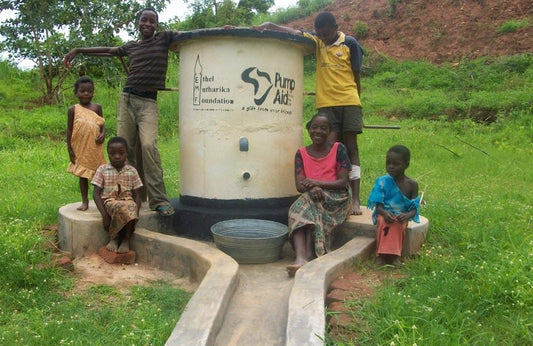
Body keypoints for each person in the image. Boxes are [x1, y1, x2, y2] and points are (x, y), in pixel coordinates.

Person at [63, 8, 179, 216]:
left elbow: (189, 37)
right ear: (138, 23)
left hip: (148, 104)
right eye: (144, 20)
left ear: (157, 25)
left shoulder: (163, 39)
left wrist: (224, 30)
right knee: (125, 150)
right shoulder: (132, 46)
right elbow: (108, 51)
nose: (148, 24)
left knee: (148, 146)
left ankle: (158, 200)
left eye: (152, 21)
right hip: (127, 100)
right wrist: (79, 50)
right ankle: (127, 196)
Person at [253, 11, 365, 215]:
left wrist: (357, 100)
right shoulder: (318, 41)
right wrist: (270, 24)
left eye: (326, 34)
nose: (322, 38)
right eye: (319, 34)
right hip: (326, 103)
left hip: (349, 100)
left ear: (336, 27)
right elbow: (296, 31)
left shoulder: (350, 43)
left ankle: (355, 198)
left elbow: (357, 74)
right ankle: (331, 196)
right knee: (330, 150)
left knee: (351, 147)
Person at [286, 113, 351, 277]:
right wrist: (313, 187)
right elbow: (300, 185)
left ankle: (303, 257)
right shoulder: (301, 153)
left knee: (306, 203)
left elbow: (342, 182)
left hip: (337, 198)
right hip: (312, 195)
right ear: (308, 130)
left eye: (323, 128)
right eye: (314, 127)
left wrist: (316, 184)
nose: (318, 131)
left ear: (329, 131)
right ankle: (304, 257)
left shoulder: (338, 149)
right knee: (307, 202)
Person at [367, 145, 420, 266]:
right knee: (383, 223)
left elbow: (414, 209)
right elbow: (378, 207)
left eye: (396, 164)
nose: (391, 166)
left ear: (406, 165)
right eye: (388, 163)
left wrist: (406, 215)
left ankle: (395, 255)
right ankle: (380, 255)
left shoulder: (412, 184)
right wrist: (385, 214)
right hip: (384, 214)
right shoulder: (382, 181)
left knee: (398, 224)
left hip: (401, 216)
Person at [92, 137, 143, 253]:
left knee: (131, 208)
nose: (117, 156)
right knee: (120, 207)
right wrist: (104, 216)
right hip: (110, 201)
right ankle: (114, 238)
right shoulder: (102, 170)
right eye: (112, 153)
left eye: (121, 153)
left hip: (128, 201)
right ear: (107, 154)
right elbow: (96, 194)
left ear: (127, 153)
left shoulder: (132, 171)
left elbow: (137, 195)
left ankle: (126, 239)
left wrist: (137, 213)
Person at [66, 76, 106, 211]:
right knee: (83, 175)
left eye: (89, 91)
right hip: (80, 147)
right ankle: (84, 201)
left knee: (98, 174)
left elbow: (102, 124)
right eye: (82, 91)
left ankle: (100, 200)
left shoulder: (97, 107)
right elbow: (69, 129)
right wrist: (70, 150)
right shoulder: (73, 109)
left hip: (95, 147)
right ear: (76, 93)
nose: (86, 94)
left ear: (93, 92)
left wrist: (103, 134)